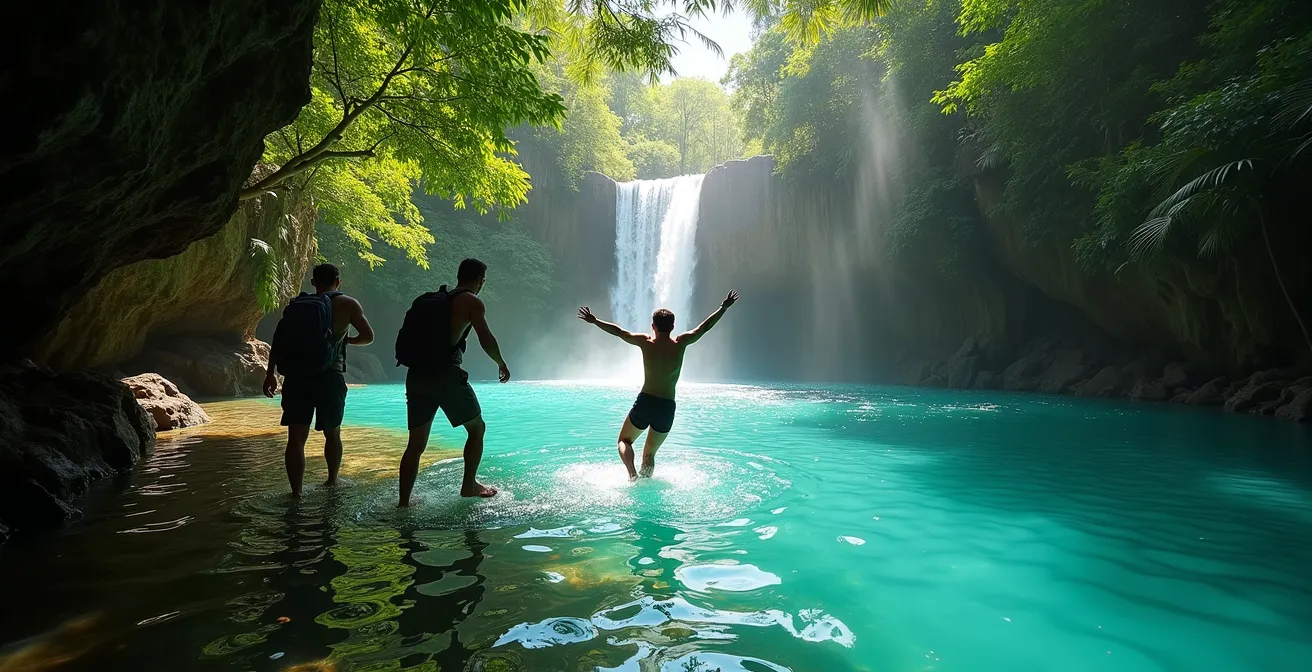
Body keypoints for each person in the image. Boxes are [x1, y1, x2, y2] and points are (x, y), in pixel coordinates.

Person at [577, 290, 739, 479]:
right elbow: (704, 328)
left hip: (646, 401)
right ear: (673, 326)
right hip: (667, 406)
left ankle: (632, 475)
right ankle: (645, 483)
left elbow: (619, 332)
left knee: (624, 440)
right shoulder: (681, 343)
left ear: (652, 326)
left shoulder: (646, 342)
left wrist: (595, 321)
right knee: (650, 453)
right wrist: (723, 308)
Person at [397, 258, 510, 506]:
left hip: (416, 375)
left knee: (415, 444)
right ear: (480, 280)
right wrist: (500, 363)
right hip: (445, 374)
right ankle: (469, 485)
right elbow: (485, 338)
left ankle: (403, 502)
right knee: (477, 429)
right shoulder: (471, 301)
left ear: (459, 275)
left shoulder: (437, 300)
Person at [263, 263, 374, 498]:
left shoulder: (297, 306)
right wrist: (345, 340)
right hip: (329, 377)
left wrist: (270, 373)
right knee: (332, 433)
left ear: (313, 283)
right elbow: (368, 336)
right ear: (338, 281)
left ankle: (296, 493)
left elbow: (279, 340)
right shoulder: (347, 304)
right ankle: (332, 481)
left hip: (296, 377)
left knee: (295, 438)